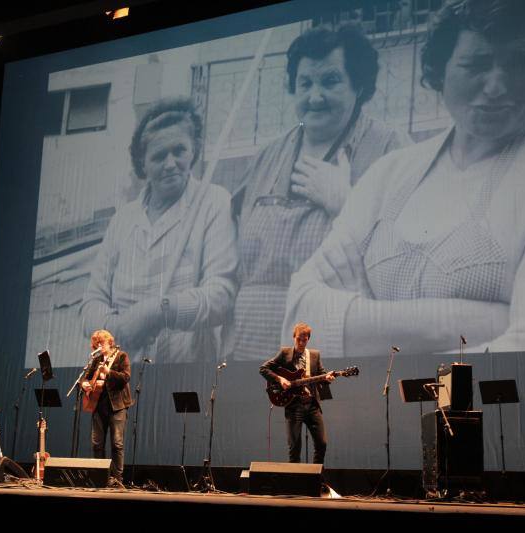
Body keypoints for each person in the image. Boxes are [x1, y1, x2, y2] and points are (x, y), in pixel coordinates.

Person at [284, 0, 525, 358]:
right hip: (383, 417)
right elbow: (299, 316)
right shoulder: (390, 173)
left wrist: (363, 333)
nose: (497, 86)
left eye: (523, 62)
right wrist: (486, 321)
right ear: (440, 71)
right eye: (476, 64)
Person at [229, 24, 410, 360]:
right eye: (305, 83)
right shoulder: (268, 156)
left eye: (330, 81)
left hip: (333, 348)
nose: (315, 96)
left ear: (359, 85)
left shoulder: (391, 150)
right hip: (252, 348)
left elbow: (408, 258)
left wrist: (345, 202)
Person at [80, 97, 238, 363]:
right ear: (142, 163)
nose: (170, 163)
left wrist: (158, 311)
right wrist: (117, 330)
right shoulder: (123, 220)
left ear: (194, 150)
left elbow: (221, 296)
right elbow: (90, 303)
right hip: (121, 373)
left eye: (179, 150)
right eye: (158, 156)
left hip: (185, 374)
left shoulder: (214, 202)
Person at [260, 322, 335, 464]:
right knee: (294, 447)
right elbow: (263, 369)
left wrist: (328, 378)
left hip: (312, 405)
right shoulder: (285, 353)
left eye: (304, 339)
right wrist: (280, 378)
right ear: (294, 337)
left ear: (308, 339)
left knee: (322, 443)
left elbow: (322, 375)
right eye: (298, 339)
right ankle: (295, 482)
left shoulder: (314, 355)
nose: (301, 342)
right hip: (294, 406)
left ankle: (316, 478)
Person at [81, 329, 132, 486]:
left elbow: (126, 377)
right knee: (97, 444)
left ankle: (117, 479)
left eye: (101, 343)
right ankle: (100, 477)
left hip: (117, 406)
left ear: (109, 342)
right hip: (98, 406)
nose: (99, 346)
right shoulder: (96, 360)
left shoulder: (121, 356)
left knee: (117, 443)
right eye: (96, 344)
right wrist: (84, 384)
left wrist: (109, 372)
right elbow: (85, 378)